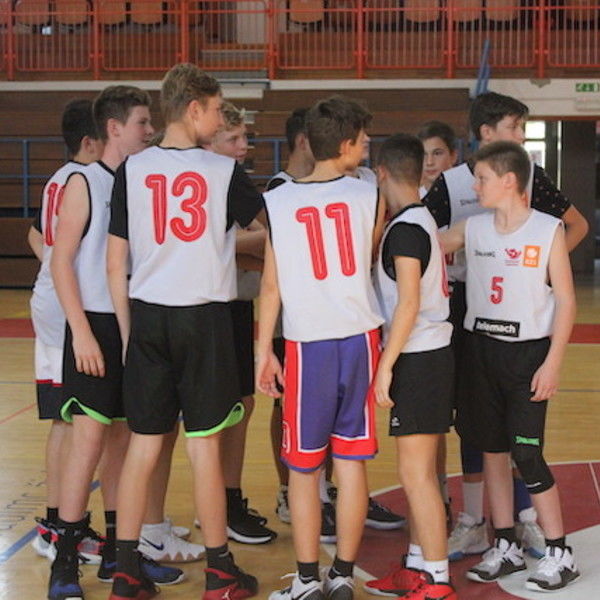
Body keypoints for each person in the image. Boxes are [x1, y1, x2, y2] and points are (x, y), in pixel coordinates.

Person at [106, 63, 263, 600]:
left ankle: (126, 570)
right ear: (194, 109)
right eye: (216, 110)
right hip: (204, 319)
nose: (220, 120)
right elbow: (268, 229)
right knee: (204, 448)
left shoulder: (132, 168)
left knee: (143, 446)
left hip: (148, 316)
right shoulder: (221, 170)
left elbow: (115, 263)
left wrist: (128, 335)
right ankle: (220, 572)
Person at [423, 91, 589, 561]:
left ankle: (538, 527)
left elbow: (573, 239)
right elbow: (425, 241)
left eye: (522, 128)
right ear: (486, 131)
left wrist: (536, 271)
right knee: (480, 433)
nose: (520, 135)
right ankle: (484, 525)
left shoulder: (536, 196)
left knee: (524, 444)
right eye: (514, 127)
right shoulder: (457, 193)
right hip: (469, 316)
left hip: (524, 328)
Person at [257, 95, 384, 600]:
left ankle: (308, 580)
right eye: (363, 139)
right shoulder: (370, 194)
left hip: (307, 344)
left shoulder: (279, 199)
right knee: (350, 464)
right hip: (360, 338)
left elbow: (271, 285)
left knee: (305, 469)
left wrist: (263, 350)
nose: (368, 146)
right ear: (346, 144)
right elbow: (368, 258)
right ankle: (343, 576)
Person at [46, 85, 165, 600]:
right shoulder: (84, 181)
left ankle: (120, 556)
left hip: (132, 321)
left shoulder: (139, 181)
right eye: (142, 123)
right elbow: (60, 262)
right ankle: (65, 560)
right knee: (89, 441)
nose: (150, 131)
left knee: (122, 441)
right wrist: (81, 333)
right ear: (114, 128)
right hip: (93, 322)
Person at [366, 133, 456, 599]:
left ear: (381, 172)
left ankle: (437, 580)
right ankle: (419, 566)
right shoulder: (416, 219)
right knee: (419, 474)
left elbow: (408, 303)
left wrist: (385, 365)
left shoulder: (405, 230)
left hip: (419, 357)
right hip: (427, 355)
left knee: (417, 475)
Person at [29, 99, 105, 566]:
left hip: (55, 299)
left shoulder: (61, 178)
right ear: (91, 141)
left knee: (65, 417)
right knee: (70, 418)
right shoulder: (83, 180)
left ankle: (58, 522)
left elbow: (35, 233)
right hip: (63, 305)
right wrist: (57, 270)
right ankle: (57, 525)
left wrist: (51, 264)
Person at [206, 100, 277, 545]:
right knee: (221, 411)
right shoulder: (213, 176)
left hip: (233, 303)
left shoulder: (231, 179)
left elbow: (253, 244)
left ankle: (226, 501)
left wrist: (242, 244)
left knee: (241, 405)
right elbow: (212, 245)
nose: (243, 146)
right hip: (208, 306)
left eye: (245, 137)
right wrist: (246, 242)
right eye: (232, 138)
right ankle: (222, 504)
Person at [265, 107, 315, 526]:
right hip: (288, 320)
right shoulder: (279, 189)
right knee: (287, 407)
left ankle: (324, 490)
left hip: (318, 318)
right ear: (302, 141)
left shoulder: (324, 186)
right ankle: (287, 491)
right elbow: (266, 255)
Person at [417, 120, 458, 197]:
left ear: (453, 156)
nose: (429, 162)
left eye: (437, 153)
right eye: (424, 154)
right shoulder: (411, 199)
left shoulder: (472, 193)